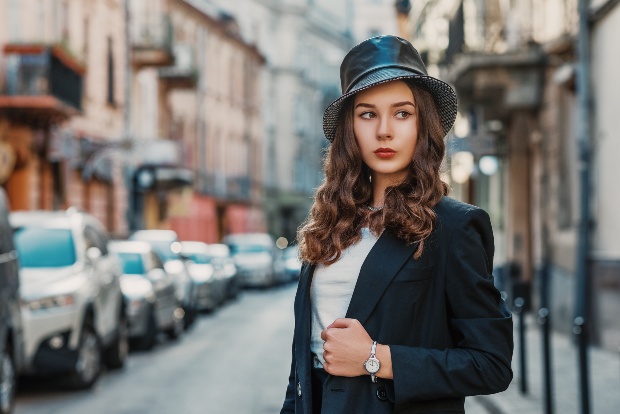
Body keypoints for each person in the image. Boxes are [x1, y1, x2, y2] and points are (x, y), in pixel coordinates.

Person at [280, 35, 513, 414]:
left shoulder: (454, 227)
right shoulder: (330, 225)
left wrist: (376, 358)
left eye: (402, 113)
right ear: (349, 128)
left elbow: (491, 364)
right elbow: (302, 369)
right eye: (368, 114)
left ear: (423, 124)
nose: (384, 131)